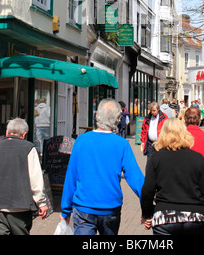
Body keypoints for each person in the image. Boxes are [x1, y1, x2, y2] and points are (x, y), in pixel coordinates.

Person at [60, 99, 144, 235]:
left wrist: (66, 209)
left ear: (97, 116)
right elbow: (135, 177)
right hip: (110, 206)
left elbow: (71, 176)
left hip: (84, 206)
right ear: (117, 119)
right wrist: (146, 205)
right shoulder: (121, 144)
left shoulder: (81, 140)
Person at [141, 118, 204, 236]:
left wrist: (147, 215)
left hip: (165, 218)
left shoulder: (156, 158)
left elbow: (147, 191)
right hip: (195, 217)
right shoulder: (198, 158)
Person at [0, 118, 48, 235]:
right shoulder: (29, 149)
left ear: (7, 132)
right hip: (21, 207)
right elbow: (35, 180)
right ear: (24, 134)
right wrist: (41, 203)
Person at [140, 102, 168, 166]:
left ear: (158, 109)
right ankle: (148, 175)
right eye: (151, 110)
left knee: (159, 162)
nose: (153, 112)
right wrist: (143, 141)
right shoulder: (147, 118)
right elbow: (144, 130)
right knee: (149, 162)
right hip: (150, 143)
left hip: (160, 143)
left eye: (154, 110)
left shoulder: (164, 117)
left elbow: (167, 129)